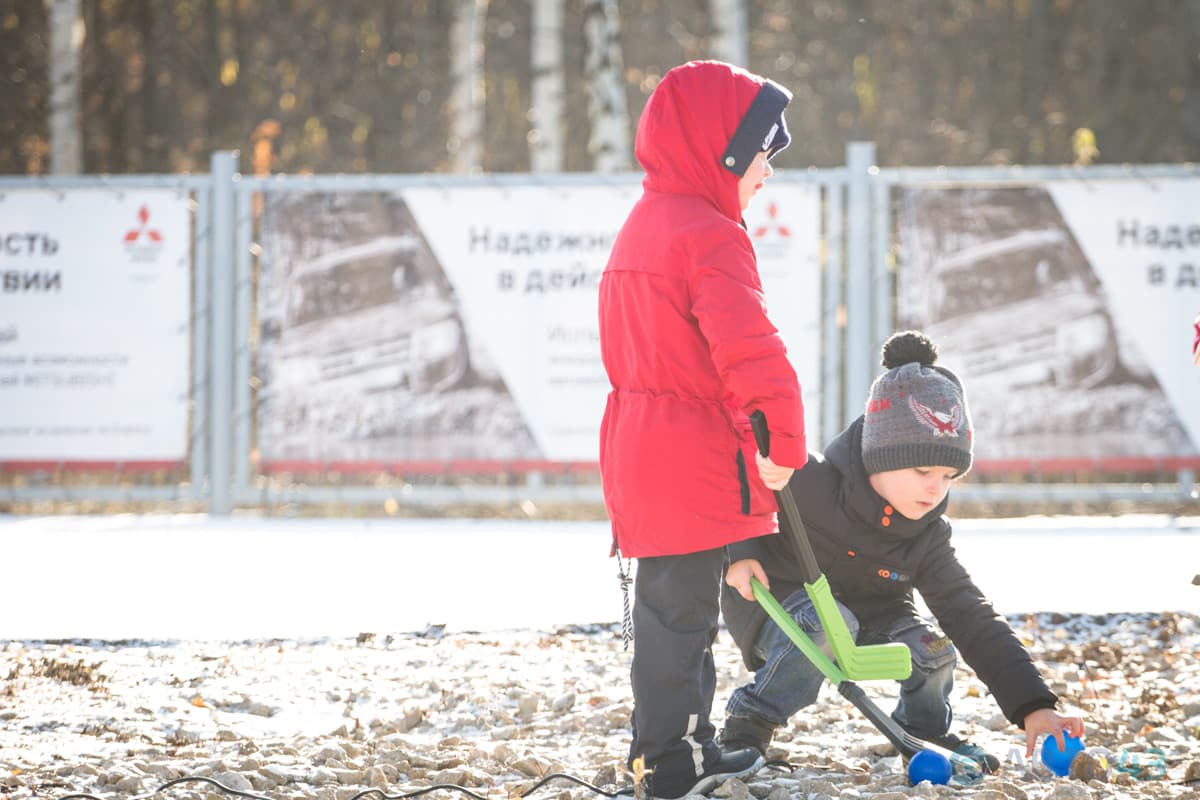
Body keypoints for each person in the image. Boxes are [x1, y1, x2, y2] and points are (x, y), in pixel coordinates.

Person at [719, 330, 1085, 773]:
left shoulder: (926, 535)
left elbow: (972, 615)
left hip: (871, 618)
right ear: (880, 455)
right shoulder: (809, 482)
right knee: (826, 625)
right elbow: (741, 480)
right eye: (923, 469)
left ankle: (925, 729)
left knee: (936, 648)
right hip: (779, 604)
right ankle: (749, 723)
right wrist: (740, 550)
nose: (935, 488)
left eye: (950, 475)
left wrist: (1034, 706)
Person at [598, 60, 808, 799]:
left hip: (642, 448)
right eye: (760, 157)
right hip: (685, 454)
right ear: (719, 153)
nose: (767, 175)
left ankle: (679, 745)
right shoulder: (709, 234)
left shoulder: (645, 225)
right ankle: (670, 765)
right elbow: (750, 349)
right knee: (680, 621)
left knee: (675, 612)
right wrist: (782, 440)